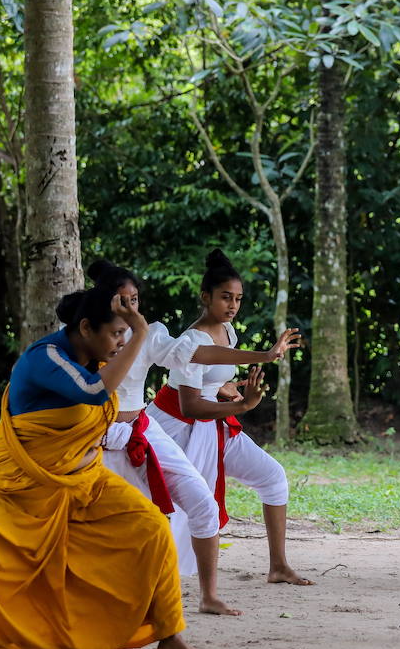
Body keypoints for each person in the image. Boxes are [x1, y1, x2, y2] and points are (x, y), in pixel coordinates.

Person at [0, 286, 200, 649]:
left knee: (152, 528)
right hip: (14, 487)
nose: (122, 341)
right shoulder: (45, 358)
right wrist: (142, 334)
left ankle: (168, 633)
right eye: (116, 333)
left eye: (125, 333)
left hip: (84, 485)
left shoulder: (99, 361)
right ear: (86, 328)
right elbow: (94, 393)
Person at [90, 259, 300, 616]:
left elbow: (192, 355)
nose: (130, 308)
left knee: (202, 504)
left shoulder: (153, 334)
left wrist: (245, 373)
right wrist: (242, 399)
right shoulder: (89, 335)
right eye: (121, 301)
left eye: (135, 300)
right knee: (134, 515)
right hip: (123, 430)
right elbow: (190, 400)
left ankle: (209, 595)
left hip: (150, 428)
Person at [147, 249, 311, 586]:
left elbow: (213, 381)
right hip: (177, 426)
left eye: (237, 298)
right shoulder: (192, 340)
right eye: (225, 297)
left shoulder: (229, 331)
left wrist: (228, 388)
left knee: (273, 477)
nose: (233, 305)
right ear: (205, 297)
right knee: (166, 506)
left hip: (214, 423)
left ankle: (278, 566)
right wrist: (243, 406)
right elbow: (190, 405)